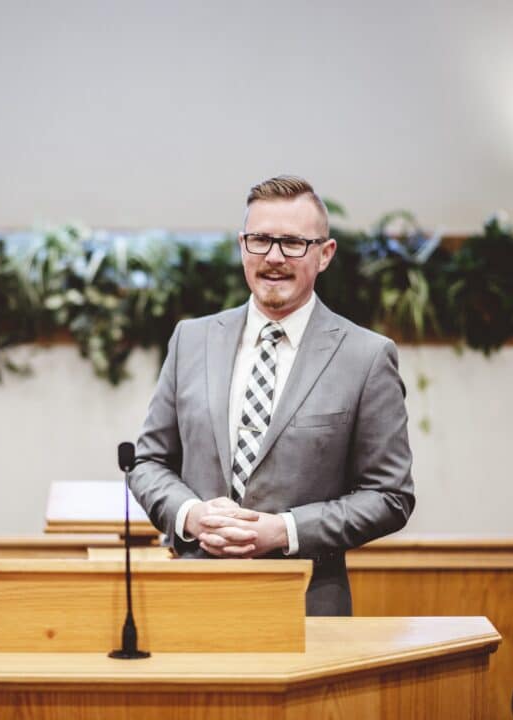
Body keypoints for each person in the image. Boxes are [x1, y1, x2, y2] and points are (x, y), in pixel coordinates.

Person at [128, 175, 415, 615]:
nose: (274, 258)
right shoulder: (191, 340)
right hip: (190, 600)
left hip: (306, 609)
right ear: (242, 246)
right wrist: (191, 516)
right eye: (261, 240)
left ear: (325, 254)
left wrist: (284, 529)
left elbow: (390, 496)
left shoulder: (367, 357)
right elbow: (149, 462)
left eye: (293, 243)